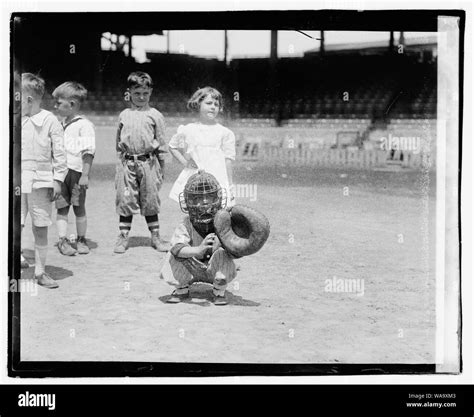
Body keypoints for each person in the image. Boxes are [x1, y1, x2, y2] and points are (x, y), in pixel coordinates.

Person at [160, 171, 237, 305]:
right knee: (173, 254)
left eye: (209, 197)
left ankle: (219, 291)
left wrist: (237, 245)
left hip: (214, 267)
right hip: (191, 267)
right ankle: (181, 288)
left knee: (223, 254)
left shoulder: (224, 222)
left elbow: (236, 248)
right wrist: (198, 250)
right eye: (199, 198)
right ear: (189, 201)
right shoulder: (186, 223)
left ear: (217, 199)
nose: (205, 202)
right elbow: (177, 248)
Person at [114, 71, 170, 253]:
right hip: (127, 163)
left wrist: (161, 169)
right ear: (129, 92)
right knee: (125, 199)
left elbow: (161, 143)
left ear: (150, 92)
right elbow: (118, 142)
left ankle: (155, 237)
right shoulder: (124, 114)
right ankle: (123, 238)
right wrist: (120, 164)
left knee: (150, 199)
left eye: (145, 93)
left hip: (149, 164)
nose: (141, 97)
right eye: (137, 93)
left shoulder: (155, 115)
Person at [21, 73, 67, 288]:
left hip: (41, 183)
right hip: (16, 183)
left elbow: (60, 154)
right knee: (14, 225)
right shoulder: (13, 118)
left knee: (40, 227)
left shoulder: (50, 121)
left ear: (28, 99)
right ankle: (12, 265)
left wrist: (58, 180)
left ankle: (40, 271)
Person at [168, 86, 236, 207]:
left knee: (219, 213)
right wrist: (185, 162)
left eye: (216, 104)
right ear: (198, 104)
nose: (213, 107)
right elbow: (172, 146)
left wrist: (230, 185)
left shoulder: (225, 133)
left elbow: (228, 161)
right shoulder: (188, 129)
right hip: (196, 179)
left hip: (218, 178)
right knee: (196, 212)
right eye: (209, 103)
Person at [52, 81, 95, 255]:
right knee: (62, 207)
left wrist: (85, 175)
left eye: (58, 103)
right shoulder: (59, 124)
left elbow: (88, 153)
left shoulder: (84, 125)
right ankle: (62, 240)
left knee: (78, 207)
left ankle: (81, 239)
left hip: (77, 173)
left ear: (72, 105)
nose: (55, 106)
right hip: (61, 173)